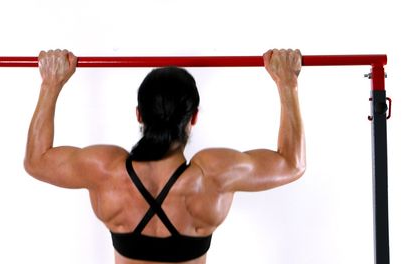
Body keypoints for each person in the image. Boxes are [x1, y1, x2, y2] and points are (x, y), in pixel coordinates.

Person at [24, 48, 306, 264]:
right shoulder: (214, 174)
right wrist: (287, 83)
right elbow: (292, 163)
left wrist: (51, 83)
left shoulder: (106, 170)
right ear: (193, 118)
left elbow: (37, 161)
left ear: (138, 114)